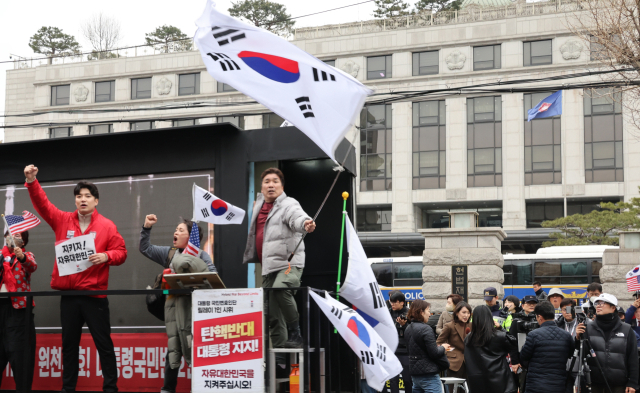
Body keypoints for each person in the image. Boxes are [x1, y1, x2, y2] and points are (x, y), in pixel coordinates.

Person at [24, 164, 127, 393]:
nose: (83, 200)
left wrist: (106, 256)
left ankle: (111, 388)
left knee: (104, 345)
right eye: (79, 196)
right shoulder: (62, 220)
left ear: (96, 201)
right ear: (75, 201)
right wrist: (32, 181)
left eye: (88, 196)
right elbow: (43, 205)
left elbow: (122, 253)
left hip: (95, 295)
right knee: (69, 346)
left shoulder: (107, 226)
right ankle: (68, 388)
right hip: (69, 296)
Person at [139, 214, 216, 393]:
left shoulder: (202, 255)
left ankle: (201, 388)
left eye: (180, 230)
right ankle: (167, 389)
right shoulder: (170, 253)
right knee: (173, 350)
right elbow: (145, 248)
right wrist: (146, 228)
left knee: (195, 351)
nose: (176, 232)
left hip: (194, 313)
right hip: (173, 310)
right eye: (176, 229)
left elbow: (213, 278)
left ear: (191, 237)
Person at [242, 168, 316, 352]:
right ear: (262, 186)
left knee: (281, 289)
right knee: (272, 315)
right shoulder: (258, 206)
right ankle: (280, 361)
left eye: (275, 181)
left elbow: (297, 217)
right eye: (267, 181)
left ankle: (296, 333)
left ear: (282, 186)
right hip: (268, 267)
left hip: (289, 263)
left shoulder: (288, 203)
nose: (271, 185)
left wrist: (305, 223)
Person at [576, 293, 639, 393]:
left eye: (602, 303)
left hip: (619, 385)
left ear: (613, 307)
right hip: (595, 384)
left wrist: (633, 383)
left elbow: (633, 358)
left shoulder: (626, 329)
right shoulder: (588, 328)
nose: (598, 306)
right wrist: (578, 338)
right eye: (597, 303)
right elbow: (581, 354)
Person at [0, 230, 37, 393]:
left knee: (20, 358)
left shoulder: (26, 256)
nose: (13, 239)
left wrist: (20, 256)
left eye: (17, 237)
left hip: (17, 312)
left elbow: (32, 266)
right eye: (10, 236)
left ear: (24, 242)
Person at [519, 301, 574, 393]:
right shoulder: (566, 335)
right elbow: (570, 354)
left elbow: (523, 357)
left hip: (536, 385)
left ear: (539, 317)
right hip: (558, 384)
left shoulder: (533, 335)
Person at [464, 305, 517, 393]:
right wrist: (501, 328)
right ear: (490, 317)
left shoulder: (468, 339)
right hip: (500, 380)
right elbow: (513, 343)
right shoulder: (499, 335)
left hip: (477, 382)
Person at [404, 300, 451, 393]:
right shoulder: (426, 329)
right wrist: (443, 347)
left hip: (415, 374)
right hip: (429, 375)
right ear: (421, 312)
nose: (430, 314)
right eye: (428, 311)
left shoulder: (408, 328)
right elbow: (434, 353)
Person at [436, 302, 472, 391]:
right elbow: (438, 343)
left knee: (467, 389)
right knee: (453, 390)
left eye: (468, 313)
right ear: (456, 313)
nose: (466, 315)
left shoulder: (471, 326)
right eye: (464, 312)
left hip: (469, 363)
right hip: (453, 363)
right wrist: (447, 351)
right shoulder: (449, 326)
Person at [507, 295, 538, 393]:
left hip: (536, 360)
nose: (532, 305)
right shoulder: (516, 320)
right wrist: (515, 362)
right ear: (523, 305)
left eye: (534, 303)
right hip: (520, 361)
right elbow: (512, 343)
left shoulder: (540, 320)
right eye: (529, 303)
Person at [386, 291, 411, 393]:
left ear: (402, 302)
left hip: (405, 351)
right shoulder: (388, 313)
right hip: (392, 351)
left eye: (395, 302)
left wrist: (404, 325)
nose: (392, 304)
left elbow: (413, 332)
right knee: (393, 380)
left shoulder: (409, 314)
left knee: (407, 380)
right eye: (391, 302)